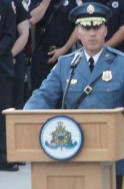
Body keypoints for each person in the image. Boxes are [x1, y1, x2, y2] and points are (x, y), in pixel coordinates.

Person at [23, 3, 124, 189]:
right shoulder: (65, 65)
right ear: (78, 33)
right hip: (75, 154)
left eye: (97, 27)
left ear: (105, 31)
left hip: (113, 155)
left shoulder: (123, 64)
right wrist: (26, 115)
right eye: (86, 27)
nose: (92, 33)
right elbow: (43, 96)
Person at [28, 0, 79, 91]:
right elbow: (31, 20)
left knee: (63, 94)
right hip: (41, 54)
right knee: (39, 92)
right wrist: (45, 2)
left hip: (65, 54)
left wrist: (64, 49)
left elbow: (80, 25)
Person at [0, 0, 17, 171]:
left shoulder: (5, 5)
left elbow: (10, 34)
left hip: (2, 68)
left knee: (3, 113)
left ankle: (4, 156)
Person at [12, 0, 30, 110]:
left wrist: (8, 56)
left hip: (12, 60)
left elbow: (24, 34)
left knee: (14, 103)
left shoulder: (17, 3)